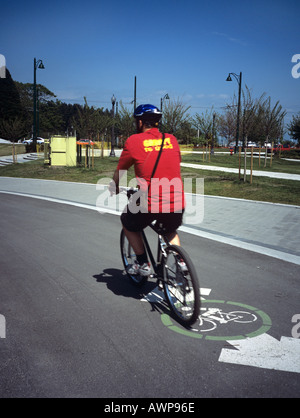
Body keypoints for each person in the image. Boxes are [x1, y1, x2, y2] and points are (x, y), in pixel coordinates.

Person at [109, 104, 185, 277]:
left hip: (151, 201)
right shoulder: (171, 139)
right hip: (177, 200)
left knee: (127, 221)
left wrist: (114, 185)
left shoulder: (133, 141)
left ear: (140, 122)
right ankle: (181, 262)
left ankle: (143, 263)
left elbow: (121, 170)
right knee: (169, 230)